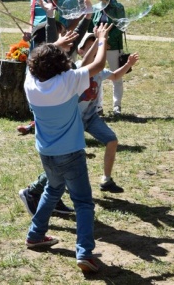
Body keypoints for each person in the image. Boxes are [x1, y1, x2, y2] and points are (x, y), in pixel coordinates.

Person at [22, 21, 113, 274]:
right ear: (61, 65)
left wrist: (55, 46)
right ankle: (84, 252)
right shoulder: (69, 81)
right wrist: (102, 38)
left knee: (53, 189)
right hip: (70, 153)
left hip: (46, 152)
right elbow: (98, 66)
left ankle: (35, 235)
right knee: (83, 202)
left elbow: (34, 59)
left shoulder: (30, 82)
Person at [75, 32, 139, 192]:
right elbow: (84, 65)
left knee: (112, 140)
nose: (95, 52)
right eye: (90, 48)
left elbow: (116, 75)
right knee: (72, 156)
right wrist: (99, 40)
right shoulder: (76, 68)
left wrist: (128, 64)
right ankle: (60, 185)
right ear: (80, 51)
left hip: (90, 117)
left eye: (97, 49)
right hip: (73, 120)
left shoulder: (100, 71)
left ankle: (106, 180)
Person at [91, 0, 127, 115]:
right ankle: (98, 106)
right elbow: (91, 26)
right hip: (98, 46)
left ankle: (117, 106)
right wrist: (98, 40)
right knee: (96, 76)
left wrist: (106, 40)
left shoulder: (118, 7)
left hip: (113, 46)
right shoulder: (95, 8)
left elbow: (121, 26)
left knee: (117, 75)